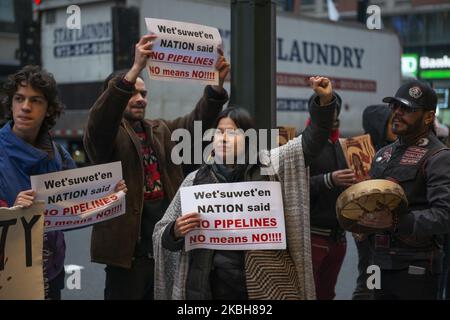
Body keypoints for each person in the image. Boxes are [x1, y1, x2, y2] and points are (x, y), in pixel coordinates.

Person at [153, 76, 338, 300]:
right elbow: (161, 233)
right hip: (205, 290)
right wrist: (175, 230)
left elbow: (311, 141)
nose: (223, 138)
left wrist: (325, 101)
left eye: (232, 132)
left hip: (259, 290)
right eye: (219, 132)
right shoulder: (194, 180)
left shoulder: (270, 167)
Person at [83, 34, 230, 300]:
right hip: (127, 258)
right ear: (115, 96)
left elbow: (197, 122)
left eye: (144, 93)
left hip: (164, 251)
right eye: (132, 93)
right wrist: (135, 68)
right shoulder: (105, 136)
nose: (140, 98)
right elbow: (101, 119)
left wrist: (216, 86)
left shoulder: (160, 130)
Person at [357, 80, 450, 300]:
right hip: (376, 262)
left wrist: (395, 222)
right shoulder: (383, 154)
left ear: (428, 117)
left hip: (415, 266)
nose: (397, 113)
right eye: (395, 106)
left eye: (407, 109)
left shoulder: (439, 157)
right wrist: (360, 222)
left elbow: (445, 215)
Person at [0, 65, 77, 300]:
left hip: (49, 271)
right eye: (19, 98)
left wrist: (108, 194)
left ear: (48, 110)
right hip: (8, 276)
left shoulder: (59, 154)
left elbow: (77, 201)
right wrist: (11, 210)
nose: (25, 107)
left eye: (36, 100)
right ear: (11, 104)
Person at [307, 92, 355, 300]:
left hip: (339, 237)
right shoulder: (303, 146)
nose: (332, 116)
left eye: (334, 110)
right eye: (326, 110)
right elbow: (292, 186)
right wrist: (329, 179)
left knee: (327, 294)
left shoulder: (345, 146)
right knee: (309, 293)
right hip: (312, 234)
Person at [352, 104, 397, 300]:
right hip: (369, 232)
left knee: (385, 283)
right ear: (378, 125)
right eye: (390, 122)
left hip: (392, 230)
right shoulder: (362, 154)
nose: (395, 126)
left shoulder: (395, 150)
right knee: (370, 281)